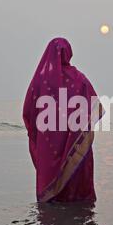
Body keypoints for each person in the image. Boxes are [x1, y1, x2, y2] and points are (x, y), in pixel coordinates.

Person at [23, 38, 103, 203]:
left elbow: (28, 112)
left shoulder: (39, 81)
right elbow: (96, 109)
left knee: (50, 207)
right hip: (76, 148)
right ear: (69, 53)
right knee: (79, 205)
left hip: (47, 146)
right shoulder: (79, 79)